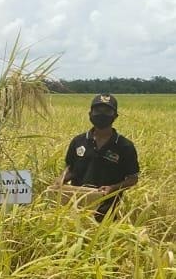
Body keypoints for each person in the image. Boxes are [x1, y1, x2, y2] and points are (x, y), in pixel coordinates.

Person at [55, 93, 139, 222]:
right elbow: (71, 169)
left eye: (107, 111)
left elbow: (132, 179)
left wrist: (113, 188)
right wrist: (61, 179)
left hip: (107, 210)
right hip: (76, 207)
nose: (101, 115)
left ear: (115, 116)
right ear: (90, 114)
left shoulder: (124, 146)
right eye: (97, 111)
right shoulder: (78, 141)